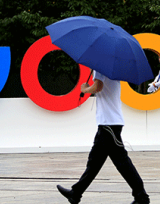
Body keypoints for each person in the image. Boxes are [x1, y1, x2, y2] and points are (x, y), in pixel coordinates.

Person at [57, 70, 150, 204]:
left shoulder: (100, 69)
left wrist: (85, 89)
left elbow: (98, 87)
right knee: (95, 162)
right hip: (109, 124)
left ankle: (142, 197)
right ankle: (75, 193)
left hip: (109, 125)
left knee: (121, 163)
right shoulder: (112, 70)